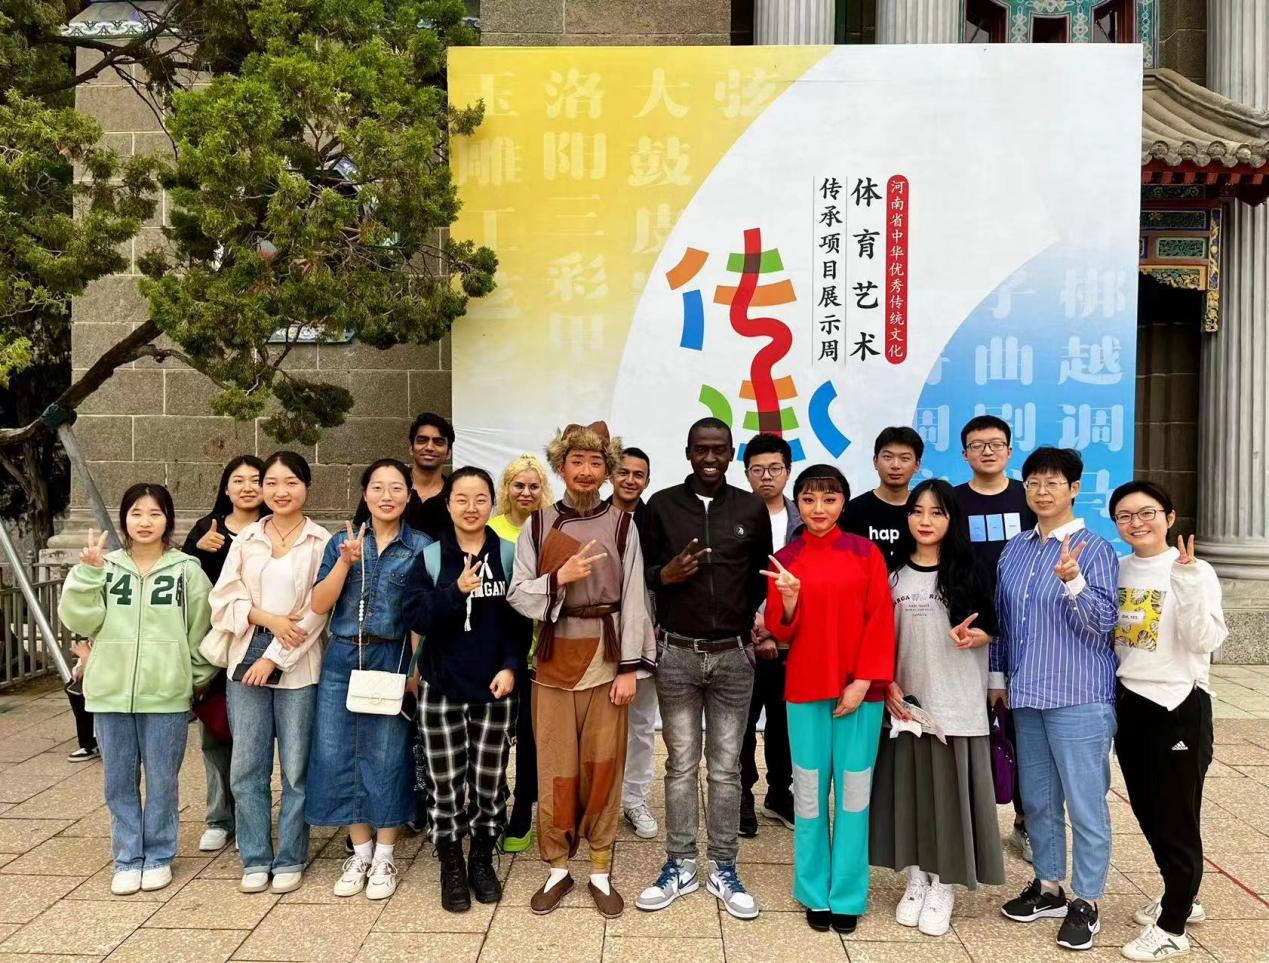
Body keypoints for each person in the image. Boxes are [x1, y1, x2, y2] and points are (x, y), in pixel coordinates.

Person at [507, 421, 656, 920]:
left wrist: (629, 669)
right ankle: (556, 867)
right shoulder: (537, 525)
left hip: (607, 661)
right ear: (561, 466)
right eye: (577, 461)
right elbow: (518, 594)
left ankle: (599, 868)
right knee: (555, 766)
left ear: (607, 469)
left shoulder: (623, 525)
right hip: (553, 661)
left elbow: (634, 599)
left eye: (596, 462)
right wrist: (559, 579)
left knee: (603, 766)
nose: (587, 471)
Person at [636, 418, 772, 921]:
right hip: (677, 653)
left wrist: (747, 625)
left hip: (734, 655)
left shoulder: (751, 508)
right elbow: (641, 573)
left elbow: (761, 576)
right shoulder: (662, 506)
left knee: (726, 768)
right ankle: (679, 863)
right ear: (688, 452)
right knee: (679, 765)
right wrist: (665, 576)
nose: (710, 458)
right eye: (701, 449)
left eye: (718, 449)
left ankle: (724, 866)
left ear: (731, 453)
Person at [58, 483, 216, 896]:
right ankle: (127, 858)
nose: (145, 522)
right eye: (136, 513)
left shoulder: (186, 570)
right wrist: (87, 574)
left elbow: (203, 629)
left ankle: (159, 855)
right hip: (110, 692)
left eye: (155, 513)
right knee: (118, 780)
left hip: (166, 695)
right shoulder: (105, 567)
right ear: (124, 518)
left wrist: (191, 676)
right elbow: (80, 620)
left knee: (163, 780)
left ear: (168, 520)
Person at [991, 447, 1119, 952]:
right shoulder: (1015, 549)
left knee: (1085, 803)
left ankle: (1087, 900)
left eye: (1053, 483)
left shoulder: (1095, 549)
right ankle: (1048, 887)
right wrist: (997, 678)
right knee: (1039, 798)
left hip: (1079, 696)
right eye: (1033, 483)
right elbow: (1002, 621)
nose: (1042, 492)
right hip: (1026, 693)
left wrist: (1074, 582)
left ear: (1074, 489)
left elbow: (1103, 623)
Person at [870, 480, 1005, 938]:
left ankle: (944, 885)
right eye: (917, 511)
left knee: (949, 800)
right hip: (907, 706)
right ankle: (916, 879)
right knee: (908, 796)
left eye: (936, 512)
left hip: (956, 702)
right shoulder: (892, 574)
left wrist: (977, 637)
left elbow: (992, 629)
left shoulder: (972, 569)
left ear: (952, 519)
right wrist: (888, 682)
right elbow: (880, 638)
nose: (925, 521)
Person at [762, 464, 894, 934]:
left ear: (843, 503)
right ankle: (813, 892)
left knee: (854, 798)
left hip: (861, 692)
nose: (819, 508)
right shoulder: (786, 558)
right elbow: (780, 631)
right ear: (798, 503)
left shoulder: (865, 553)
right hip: (805, 691)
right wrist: (790, 598)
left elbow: (880, 619)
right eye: (809, 499)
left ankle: (849, 895)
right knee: (810, 798)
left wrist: (864, 681)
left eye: (829, 498)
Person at [406, 466, 531, 912]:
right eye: (462, 499)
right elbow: (417, 617)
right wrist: (455, 591)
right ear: (448, 504)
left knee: (489, 782)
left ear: (492, 504)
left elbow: (520, 622)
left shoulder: (510, 555)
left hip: (494, 690)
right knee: (444, 783)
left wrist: (512, 666)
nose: (471, 507)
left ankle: (480, 858)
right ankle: (451, 863)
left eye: (480, 499)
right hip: (441, 688)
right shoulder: (431, 557)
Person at [1111, 481, 1226, 962]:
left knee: (1177, 817)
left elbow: (1205, 641)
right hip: (1130, 702)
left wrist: (1188, 581)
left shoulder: (1195, 569)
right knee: (1147, 810)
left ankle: (1174, 925)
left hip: (1179, 704)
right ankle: (1183, 894)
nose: (1136, 522)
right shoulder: (1119, 568)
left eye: (1147, 513)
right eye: (1125, 516)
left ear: (1170, 517)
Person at [306, 460, 429, 901]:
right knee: (338, 752)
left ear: (409, 496)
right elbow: (319, 603)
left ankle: (385, 855)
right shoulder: (341, 541)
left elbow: (419, 616)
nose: (386, 496)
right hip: (343, 657)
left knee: (387, 755)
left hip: (391, 656)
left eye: (396, 488)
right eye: (377, 487)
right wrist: (345, 563)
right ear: (364, 494)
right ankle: (359, 852)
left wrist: (415, 670)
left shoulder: (421, 547)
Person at [210, 451, 331, 896]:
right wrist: (270, 619)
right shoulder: (247, 539)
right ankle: (256, 856)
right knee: (247, 766)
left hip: (299, 669)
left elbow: (317, 612)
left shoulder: (321, 541)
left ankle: (292, 855)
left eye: (291, 482)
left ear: (306, 487)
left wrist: (274, 657)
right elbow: (223, 601)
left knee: (296, 769)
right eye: (272, 483)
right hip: (245, 664)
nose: (281, 491)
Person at [953, 415, 1036, 863]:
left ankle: (1026, 822)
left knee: (1022, 733)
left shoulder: (1030, 498)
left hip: (1026, 635)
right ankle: (970, 823)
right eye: (977, 444)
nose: (987, 451)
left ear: (1009, 450)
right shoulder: (953, 501)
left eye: (995, 443)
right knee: (970, 730)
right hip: (969, 634)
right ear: (964, 453)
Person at [182, 454, 265, 852]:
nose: (248, 487)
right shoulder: (207, 528)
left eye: (256, 479)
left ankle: (254, 815)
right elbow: (184, 580)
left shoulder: (275, 527)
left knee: (258, 738)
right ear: (226, 488)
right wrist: (199, 551)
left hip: (263, 644)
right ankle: (219, 817)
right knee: (216, 733)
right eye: (239, 480)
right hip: (218, 647)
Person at [489, 453, 554, 854]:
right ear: (507, 488)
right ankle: (492, 802)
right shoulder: (490, 529)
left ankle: (524, 808)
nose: (526, 492)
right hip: (495, 649)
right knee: (494, 734)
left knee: (531, 736)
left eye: (533, 486)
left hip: (539, 649)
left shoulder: (549, 528)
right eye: (519, 485)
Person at [738, 433, 800, 837]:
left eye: (774, 468)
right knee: (741, 724)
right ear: (746, 473)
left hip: (792, 639)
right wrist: (753, 625)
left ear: (787, 471)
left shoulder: (803, 521)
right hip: (743, 637)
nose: (766, 476)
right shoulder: (732, 516)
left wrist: (777, 630)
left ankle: (780, 793)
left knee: (784, 723)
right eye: (757, 469)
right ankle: (741, 795)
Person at [609, 446, 660, 841]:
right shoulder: (593, 516)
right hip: (599, 635)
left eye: (637, 474)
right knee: (597, 726)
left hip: (646, 635)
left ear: (647, 480)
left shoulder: (656, 520)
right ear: (611, 475)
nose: (629, 479)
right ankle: (598, 801)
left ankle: (634, 799)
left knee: (641, 724)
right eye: (623, 472)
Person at [843, 426, 923, 569]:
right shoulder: (852, 511)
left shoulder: (925, 512)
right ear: (875, 461)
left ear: (917, 465)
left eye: (905, 458)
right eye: (888, 457)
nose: (895, 465)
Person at [403, 412, 454, 540]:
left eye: (439, 442)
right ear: (411, 448)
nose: (429, 447)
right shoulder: (386, 487)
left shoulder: (455, 495)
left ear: (448, 453)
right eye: (422, 440)